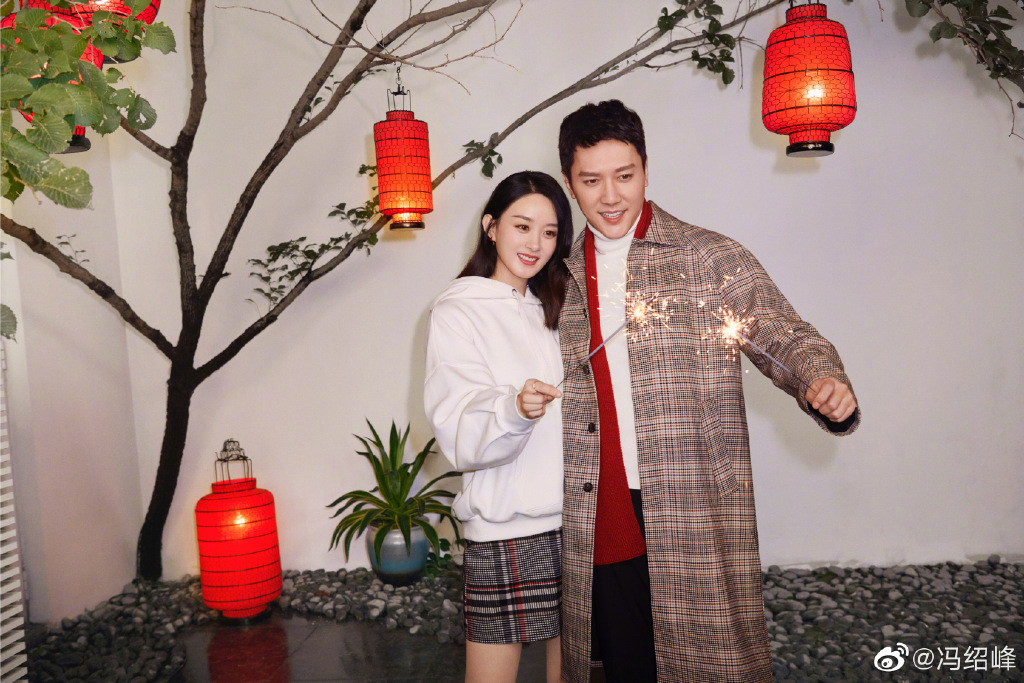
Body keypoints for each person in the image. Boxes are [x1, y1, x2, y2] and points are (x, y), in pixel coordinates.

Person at [555, 100, 860, 682]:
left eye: (624, 176)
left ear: (647, 170)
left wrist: (821, 379)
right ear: (570, 182)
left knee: (710, 660)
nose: (610, 196)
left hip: (693, 499)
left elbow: (782, 333)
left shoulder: (707, 257)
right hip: (601, 505)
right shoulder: (559, 277)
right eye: (591, 181)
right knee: (624, 666)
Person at [423, 171, 574, 683]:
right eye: (522, 226)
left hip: (577, 521)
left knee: (574, 671)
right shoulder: (457, 310)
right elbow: (457, 426)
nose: (535, 244)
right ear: (491, 227)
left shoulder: (558, 309)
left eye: (549, 232)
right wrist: (514, 408)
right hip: (506, 527)